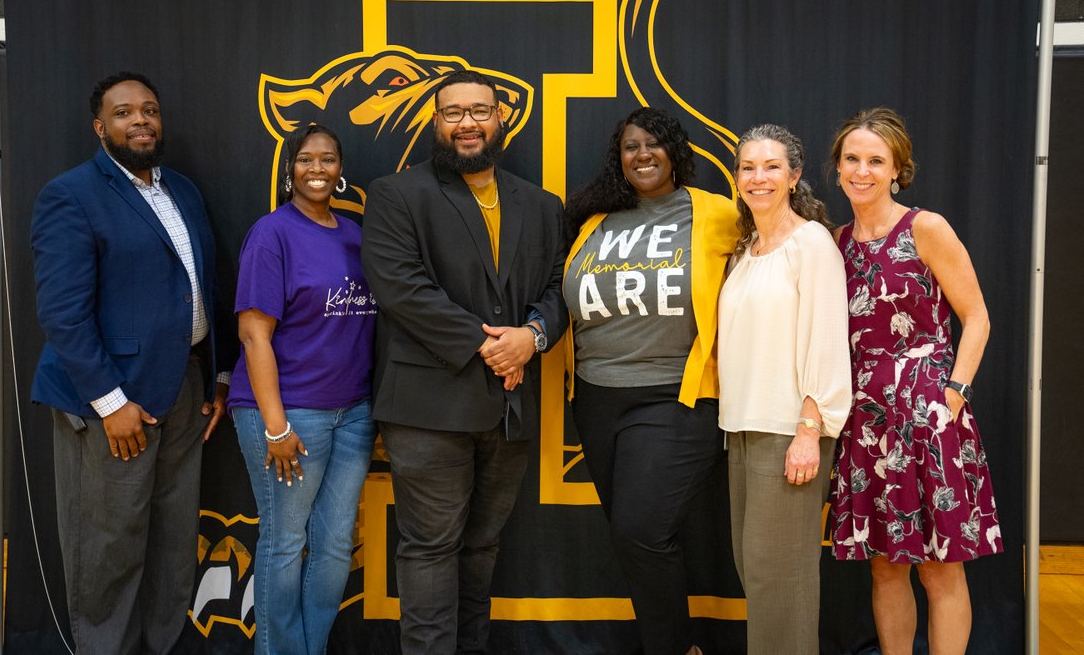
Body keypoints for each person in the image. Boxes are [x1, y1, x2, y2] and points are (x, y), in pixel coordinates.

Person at [360, 69, 568, 654]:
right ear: (436, 123)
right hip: (429, 408)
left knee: (481, 549)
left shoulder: (543, 205)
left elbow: (558, 288)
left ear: (501, 118)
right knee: (430, 548)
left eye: (479, 111)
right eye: (453, 113)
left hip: (509, 411)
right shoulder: (397, 194)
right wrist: (492, 346)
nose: (467, 123)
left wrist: (532, 335)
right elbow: (402, 288)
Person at [31, 71, 231, 655]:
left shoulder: (184, 192)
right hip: (115, 404)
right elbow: (63, 314)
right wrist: (111, 403)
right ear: (100, 128)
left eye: (149, 109)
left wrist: (218, 374)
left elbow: (205, 286)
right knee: (109, 546)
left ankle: (162, 647)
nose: (139, 120)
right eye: (123, 113)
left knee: (173, 543)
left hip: (185, 389)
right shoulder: (70, 195)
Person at [561, 107, 739, 655]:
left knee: (639, 531)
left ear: (674, 150)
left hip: (675, 397)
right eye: (631, 147)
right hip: (595, 398)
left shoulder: (716, 214)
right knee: (635, 538)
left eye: (654, 144)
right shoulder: (593, 220)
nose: (642, 155)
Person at [827, 108, 1002, 655]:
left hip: (929, 421)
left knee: (940, 573)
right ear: (837, 170)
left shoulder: (925, 228)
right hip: (866, 426)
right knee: (885, 571)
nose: (863, 170)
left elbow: (977, 317)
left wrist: (953, 394)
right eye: (852, 159)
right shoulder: (835, 242)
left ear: (898, 169)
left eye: (876, 160)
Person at [225, 124, 377, 655]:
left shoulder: (357, 234)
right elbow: (252, 333)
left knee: (335, 547)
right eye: (307, 159)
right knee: (286, 543)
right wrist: (277, 425)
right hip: (290, 414)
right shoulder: (273, 233)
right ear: (290, 169)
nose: (318, 169)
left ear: (341, 170)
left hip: (354, 411)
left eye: (328, 159)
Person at [716, 124, 852, 653]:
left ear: (794, 176)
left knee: (783, 581)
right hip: (743, 427)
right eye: (748, 167)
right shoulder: (746, 249)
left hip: (790, 432)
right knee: (757, 573)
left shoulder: (812, 244)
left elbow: (826, 340)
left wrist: (809, 430)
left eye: (772, 167)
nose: (758, 177)